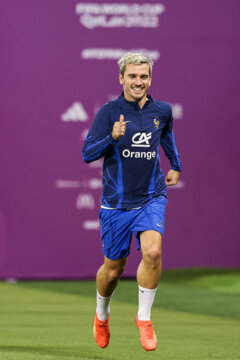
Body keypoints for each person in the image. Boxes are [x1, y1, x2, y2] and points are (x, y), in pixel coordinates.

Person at [82, 52, 182, 352]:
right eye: (133, 76)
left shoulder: (162, 110)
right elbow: (88, 154)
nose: (138, 81)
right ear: (121, 78)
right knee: (113, 270)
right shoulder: (109, 112)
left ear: (150, 78)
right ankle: (101, 316)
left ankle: (144, 318)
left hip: (151, 196)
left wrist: (175, 164)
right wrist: (111, 137)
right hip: (116, 205)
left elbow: (167, 138)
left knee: (152, 252)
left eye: (144, 76)